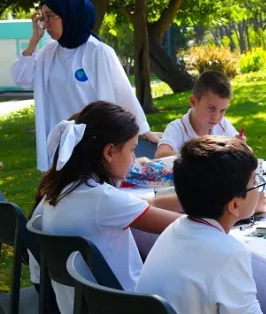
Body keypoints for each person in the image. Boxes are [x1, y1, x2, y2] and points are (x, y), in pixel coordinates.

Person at [36, 101, 182, 314]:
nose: (134, 159)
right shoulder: (101, 199)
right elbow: (182, 226)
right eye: (132, 149)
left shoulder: (63, 189)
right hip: (128, 305)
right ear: (109, 152)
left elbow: (147, 206)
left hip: (84, 305)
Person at [10, 0, 161, 172]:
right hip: (59, 142)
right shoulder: (47, 53)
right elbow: (22, 79)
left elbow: (123, 94)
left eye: (50, 17)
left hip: (92, 142)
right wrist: (34, 40)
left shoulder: (97, 52)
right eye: (42, 18)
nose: (46, 24)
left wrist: (144, 130)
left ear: (69, 16)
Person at [136, 136, 263, 314]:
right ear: (234, 205)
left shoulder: (176, 228)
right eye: (255, 183)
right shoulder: (229, 253)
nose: (259, 188)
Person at [155, 70, 242, 158]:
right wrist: (199, 158)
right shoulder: (177, 128)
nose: (216, 116)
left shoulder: (222, 125)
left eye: (222, 110)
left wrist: (241, 147)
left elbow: (246, 153)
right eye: (211, 108)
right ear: (193, 102)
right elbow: (160, 155)